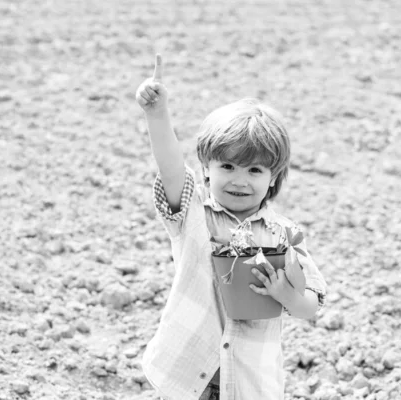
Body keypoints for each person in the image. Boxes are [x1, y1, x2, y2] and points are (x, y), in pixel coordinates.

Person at [135, 54, 327, 400]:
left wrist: (286, 296)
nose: (240, 180)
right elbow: (171, 167)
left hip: (249, 382)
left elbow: (310, 305)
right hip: (188, 374)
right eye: (228, 166)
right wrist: (157, 114)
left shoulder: (284, 236)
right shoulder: (194, 218)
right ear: (207, 169)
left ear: (273, 179)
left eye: (255, 170)